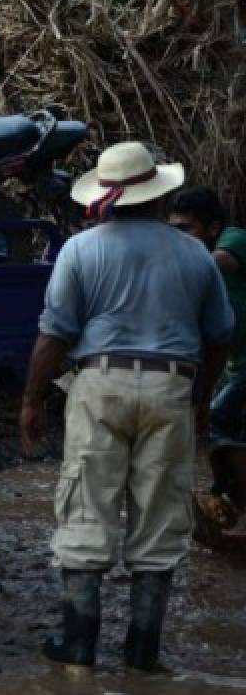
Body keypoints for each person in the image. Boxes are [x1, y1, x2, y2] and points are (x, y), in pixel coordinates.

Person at [20, 142, 233, 672]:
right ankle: (142, 652)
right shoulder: (196, 255)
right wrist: (201, 399)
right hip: (170, 387)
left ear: (109, 198)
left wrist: (30, 400)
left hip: (99, 383)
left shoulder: (80, 250)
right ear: (159, 195)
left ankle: (78, 646)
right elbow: (220, 337)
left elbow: (53, 335)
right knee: (161, 513)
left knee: (87, 501)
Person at [168, 186, 246, 536]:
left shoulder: (234, 238)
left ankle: (231, 495)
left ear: (213, 228)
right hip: (238, 364)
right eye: (174, 231)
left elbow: (220, 261)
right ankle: (229, 498)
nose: (179, 239)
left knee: (218, 420)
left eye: (186, 230)